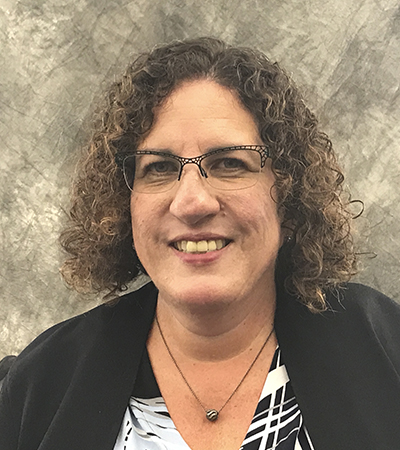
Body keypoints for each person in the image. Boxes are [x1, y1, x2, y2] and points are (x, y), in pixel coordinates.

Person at [1, 37, 399, 450]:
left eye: (229, 163)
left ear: (288, 191)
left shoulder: (386, 349)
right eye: (158, 168)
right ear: (126, 203)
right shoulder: (38, 388)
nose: (192, 202)